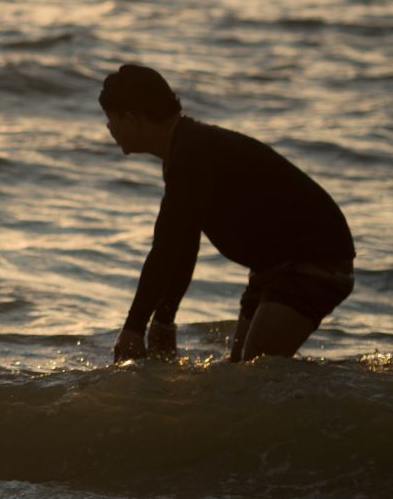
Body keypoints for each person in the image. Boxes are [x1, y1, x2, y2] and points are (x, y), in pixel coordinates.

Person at [101, 64, 354, 364]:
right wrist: (163, 320)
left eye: (111, 119)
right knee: (240, 374)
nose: (108, 128)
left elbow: (166, 247)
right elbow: (182, 245)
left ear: (131, 119)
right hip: (273, 268)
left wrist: (134, 327)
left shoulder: (191, 153)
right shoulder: (184, 148)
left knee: (258, 373)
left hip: (315, 263)